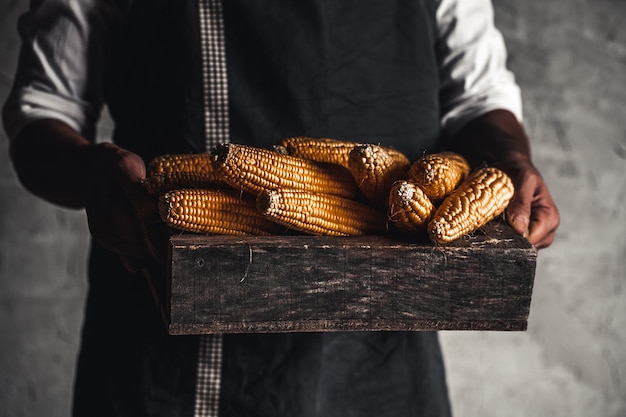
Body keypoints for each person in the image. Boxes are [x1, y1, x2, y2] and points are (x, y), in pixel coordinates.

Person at [3, 0, 560, 416]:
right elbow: (42, 112)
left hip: (383, 345)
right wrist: (94, 175)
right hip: (166, 344)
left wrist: (509, 160)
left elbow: (479, 96)